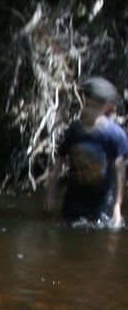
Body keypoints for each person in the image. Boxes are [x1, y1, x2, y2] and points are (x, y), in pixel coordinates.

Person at [45, 76, 128, 225]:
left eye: (92, 106)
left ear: (107, 108)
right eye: (85, 104)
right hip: (73, 201)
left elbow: (119, 171)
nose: (86, 109)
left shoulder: (114, 135)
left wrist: (116, 206)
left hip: (102, 203)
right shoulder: (72, 132)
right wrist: (51, 195)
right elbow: (57, 164)